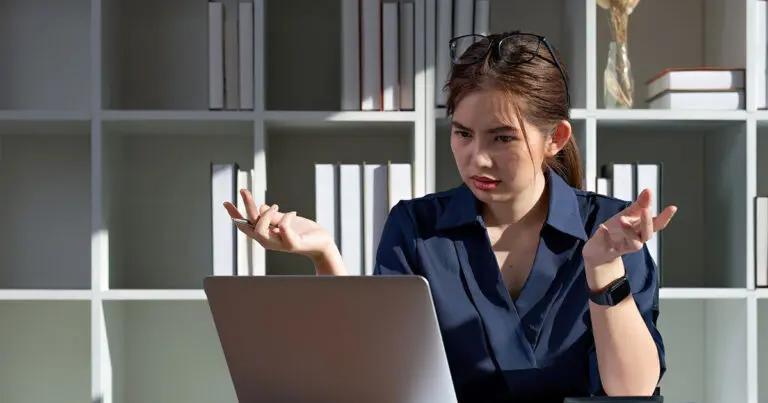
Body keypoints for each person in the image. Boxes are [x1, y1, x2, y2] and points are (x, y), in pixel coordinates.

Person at [223, 30, 678, 403]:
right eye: (462, 133)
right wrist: (325, 255)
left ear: (555, 138)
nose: (476, 158)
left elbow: (633, 390)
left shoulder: (611, 232)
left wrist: (602, 268)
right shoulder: (415, 229)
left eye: (502, 138)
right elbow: (374, 374)